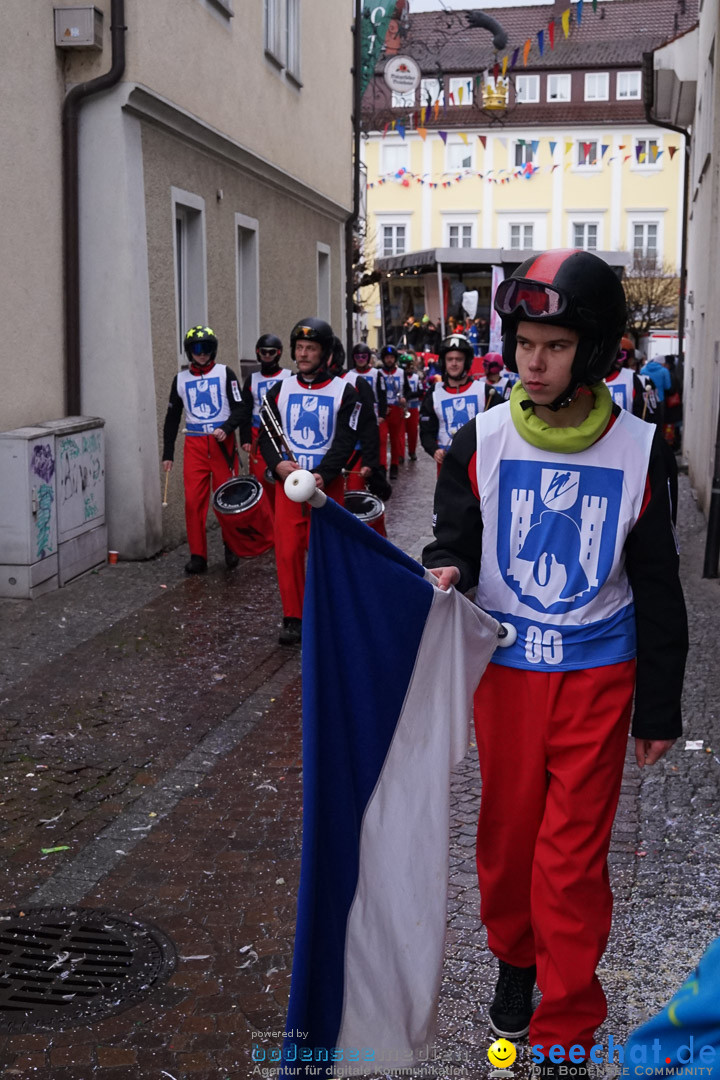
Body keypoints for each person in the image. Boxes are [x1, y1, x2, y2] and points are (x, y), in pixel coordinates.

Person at [422, 250, 688, 1073]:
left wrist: (660, 707)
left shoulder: (639, 450)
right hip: (505, 679)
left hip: (598, 682)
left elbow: (658, 585)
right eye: (525, 343)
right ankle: (515, 958)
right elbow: (455, 536)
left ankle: (565, 1024)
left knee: (570, 859)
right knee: (506, 843)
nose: (534, 363)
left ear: (595, 352)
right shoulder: (481, 438)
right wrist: (447, 565)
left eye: (557, 347)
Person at [258, 318, 359, 646]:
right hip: (288, 485)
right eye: (299, 348)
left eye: (310, 349)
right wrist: (277, 465)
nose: (303, 355)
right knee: (287, 551)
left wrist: (325, 473)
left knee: (327, 551)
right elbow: (267, 436)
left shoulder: (345, 391)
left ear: (325, 352)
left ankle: (328, 612)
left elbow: (346, 440)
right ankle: (293, 616)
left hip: (324, 487)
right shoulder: (279, 389)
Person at [162, 325, 247, 574]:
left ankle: (230, 545)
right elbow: (172, 417)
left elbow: (241, 408)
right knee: (193, 501)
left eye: (207, 348)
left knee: (227, 499)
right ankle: (198, 554)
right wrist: (168, 453)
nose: (202, 354)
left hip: (221, 444)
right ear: (189, 352)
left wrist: (228, 428)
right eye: (197, 349)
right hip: (195, 445)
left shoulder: (225, 373)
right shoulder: (180, 379)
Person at [238, 334, 292, 510]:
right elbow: (245, 410)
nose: (267, 356)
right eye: (264, 352)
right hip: (258, 435)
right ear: (257, 353)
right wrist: (245, 438)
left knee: (284, 477)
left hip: (282, 434)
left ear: (279, 353)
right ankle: (268, 530)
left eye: (271, 352)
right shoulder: (252, 379)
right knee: (262, 480)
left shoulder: (289, 376)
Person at [419, 333, 484, 472]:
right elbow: (426, 430)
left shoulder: (484, 391)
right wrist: (434, 450)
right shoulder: (434, 392)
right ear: (443, 362)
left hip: (478, 464)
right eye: (450, 359)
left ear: (466, 362)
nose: (454, 363)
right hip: (447, 465)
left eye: (459, 359)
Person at [604, 337, 658, 421]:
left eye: (621, 356)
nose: (618, 361)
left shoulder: (638, 380)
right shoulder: (591, 381)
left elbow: (651, 415)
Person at [379, 345, 410, 479]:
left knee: (395, 438)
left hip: (397, 408)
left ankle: (395, 465)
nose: (389, 360)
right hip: (384, 409)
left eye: (391, 357)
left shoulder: (401, 372)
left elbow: (407, 389)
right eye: (387, 357)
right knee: (381, 439)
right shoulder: (378, 373)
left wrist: (405, 398)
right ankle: (382, 466)